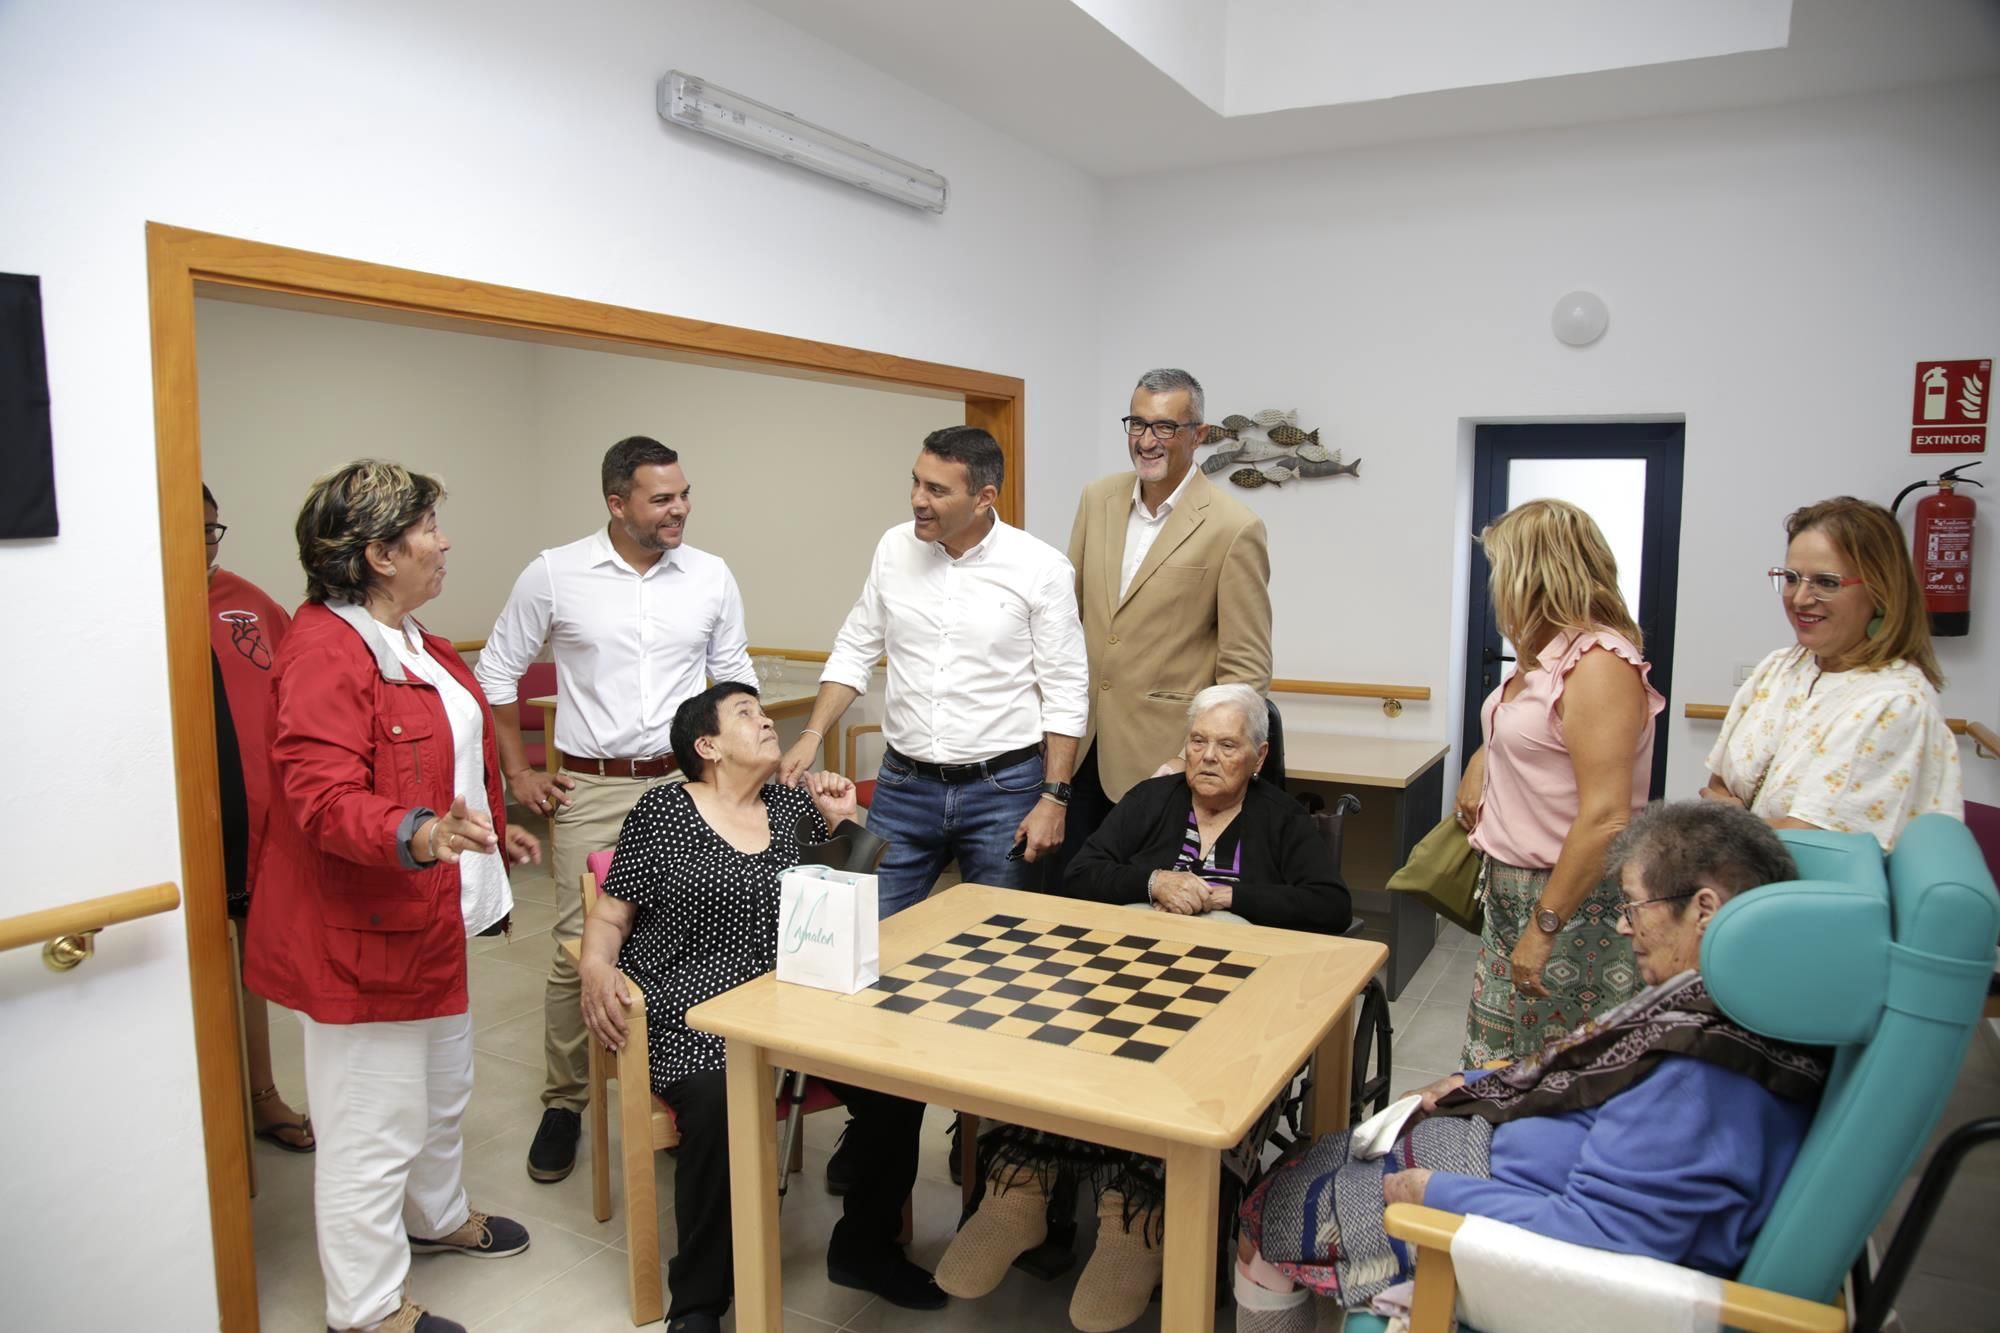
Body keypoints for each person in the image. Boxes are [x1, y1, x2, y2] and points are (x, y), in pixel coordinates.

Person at [1232, 802, 1829, 1332]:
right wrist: (1473, 1084)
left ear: (1703, 908)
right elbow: (1598, 1072)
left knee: (1270, 1210)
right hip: (1520, 1159)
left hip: (1520, 1223)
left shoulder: (1703, 1079)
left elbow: (1601, 1239)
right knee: (1318, 1155)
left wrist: (1432, 1192)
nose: (1624, 926)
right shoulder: (1721, 1001)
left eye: (1635, 906)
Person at [935, 684, 1349, 1332]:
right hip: (1125, 989)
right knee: (1053, 1040)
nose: (1208, 756)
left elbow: (1329, 905)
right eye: (1198, 740)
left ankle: (1137, 1221)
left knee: (1191, 1080)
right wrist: (1153, 880)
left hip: (1231, 1005)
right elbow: (1083, 874)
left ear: (1260, 755)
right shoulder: (1151, 801)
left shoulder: (1282, 820)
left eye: (1228, 744)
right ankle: (1019, 1190)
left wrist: (1222, 896)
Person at [244, 461, 541, 1333]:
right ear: (378, 552)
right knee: (371, 1126)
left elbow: (450, 761)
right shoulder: (322, 653)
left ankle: (437, 1216)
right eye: (428, 528)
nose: (444, 541)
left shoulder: (412, 637)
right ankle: (365, 1308)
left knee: (444, 1088)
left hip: (430, 917)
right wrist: (419, 832)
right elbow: (321, 797)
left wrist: (489, 833)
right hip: (359, 933)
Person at [578, 683, 945, 1333]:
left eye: (762, 708)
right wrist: (595, 966)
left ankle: (863, 1247)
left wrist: (841, 824)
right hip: (691, 1015)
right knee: (722, 1105)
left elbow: (842, 904)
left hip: (791, 1007)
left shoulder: (788, 805)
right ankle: (698, 1300)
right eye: (745, 713)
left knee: (898, 1086)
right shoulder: (661, 813)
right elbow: (610, 916)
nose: (766, 719)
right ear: (707, 745)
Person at [474, 436, 755, 1185]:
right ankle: (565, 1101)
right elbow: (495, 671)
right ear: (617, 503)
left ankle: (682, 1079)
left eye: (684, 494)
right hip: (593, 787)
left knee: (692, 937)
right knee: (580, 947)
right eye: (662, 498)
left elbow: (734, 681)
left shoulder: (710, 575)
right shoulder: (555, 573)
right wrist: (519, 771)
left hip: (688, 782)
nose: (680, 509)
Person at [777, 424, 1090, 913]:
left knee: (997, 947)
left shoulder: (1041, 568)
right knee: (870, 931)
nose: (917, 500)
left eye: (937, 490)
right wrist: (812, 734)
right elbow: (855, 647)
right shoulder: (893, 549)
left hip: (1004, 791)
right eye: (916, 482)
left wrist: (1055, 798)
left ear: (984, 497)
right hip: (904, 787)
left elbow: (1066, 690)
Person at [1454, 499, 1664, 1066]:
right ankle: (1477, 1155)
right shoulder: (1543, 654)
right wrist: (1482, 760)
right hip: (1512, 888)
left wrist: (1545, 927)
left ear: (1535, 574)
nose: (1496, 584)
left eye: (1502, 568)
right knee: (1496, 1066)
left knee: (1562, 1072)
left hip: (1570, 898)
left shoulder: (1599, 664)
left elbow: (1606, 817)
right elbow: (1537, 735)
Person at [1060, 369, 1272, 868]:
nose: (1147, 441)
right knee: (1067, 893)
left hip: (1161, 760)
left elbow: (1246, 667)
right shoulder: (1098, 498)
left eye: (1164, 427)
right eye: (1137, 424)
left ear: (1198, 435)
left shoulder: (1234, 527)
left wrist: (1190, 757)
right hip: (1077, 745)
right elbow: (1068, 614)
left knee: (1141, 909)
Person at [1703, 496, 1963, 849]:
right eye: (1792, 578)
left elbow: (1811, 844)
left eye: (1826, 582)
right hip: (1740, 880)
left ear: (1881, 590)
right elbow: (1715, 787)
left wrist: (1733, 818)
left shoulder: (1894, 702)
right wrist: (1745, 820)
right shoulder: (1781, 668)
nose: (1799, 599)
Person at [203, 482, 312, 1153]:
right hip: (187, 827)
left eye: (211, 530)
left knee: (250, 962)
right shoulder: (130, 599)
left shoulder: (244, 602)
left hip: (259, 821)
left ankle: (261, 1094)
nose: (202, 547)